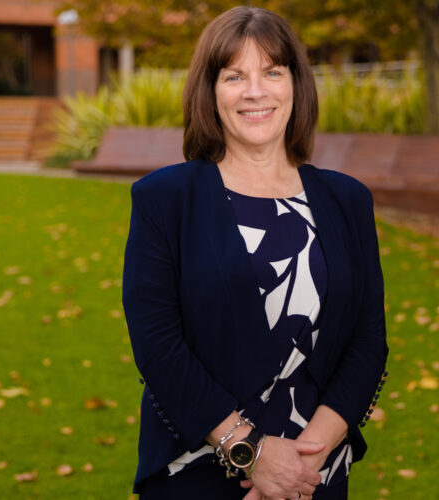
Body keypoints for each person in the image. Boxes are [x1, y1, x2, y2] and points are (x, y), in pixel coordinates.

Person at [121, 6, 388, 499]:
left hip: (316, 476)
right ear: (211, 91)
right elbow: (158, 346)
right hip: (200, 473)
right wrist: (252, 453)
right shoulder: (165, 198)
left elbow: (368, 343)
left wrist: (304, 462)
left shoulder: (348, 200)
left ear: (295, 85)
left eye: (272, 72)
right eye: (234, 75)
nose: (255, 91)